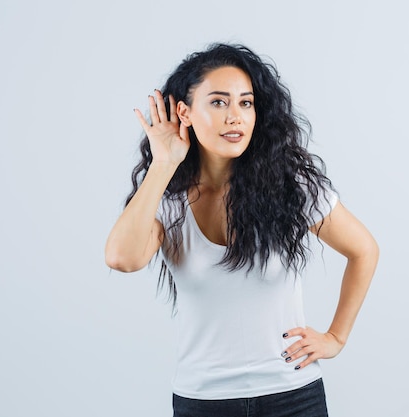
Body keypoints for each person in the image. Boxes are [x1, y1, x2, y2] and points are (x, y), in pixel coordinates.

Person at [105, 43, 379, 417]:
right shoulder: (167, 200)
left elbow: (364, 250)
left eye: (245, 103)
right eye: (218, 102)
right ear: (184, 111)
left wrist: (336, 337)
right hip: (202, 401)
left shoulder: (290, 186)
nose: (235, 116)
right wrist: (163, 164)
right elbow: (122, 258)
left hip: (293, 396)